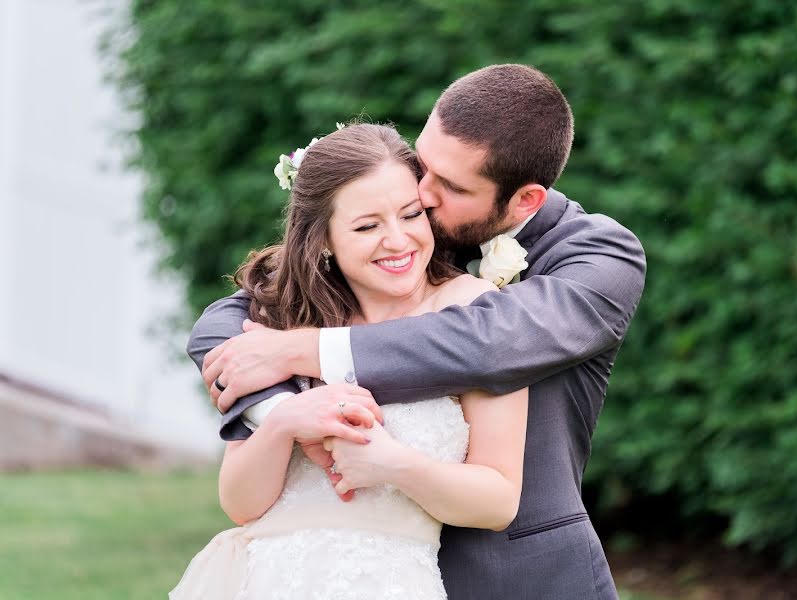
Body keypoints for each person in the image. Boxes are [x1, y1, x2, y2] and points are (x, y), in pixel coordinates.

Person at [192, 64, 647, 599]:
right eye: (423, 167)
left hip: (520, 576)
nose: (423, 197)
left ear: (524, 200)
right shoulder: (407, 230)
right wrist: (280, 412)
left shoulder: (600, 258)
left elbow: (489, 342)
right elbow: (225, 323)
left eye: (449, 186)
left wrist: (303, 351)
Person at [170, 123, 528, 600]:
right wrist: (284, 423)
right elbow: (240, 504)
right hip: (268, 579)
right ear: (323, 240)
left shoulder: (476, 313)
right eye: (367, 226)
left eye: (411, 215)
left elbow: (498, 500)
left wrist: (391, 464)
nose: (398, 241)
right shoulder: (285, 325)